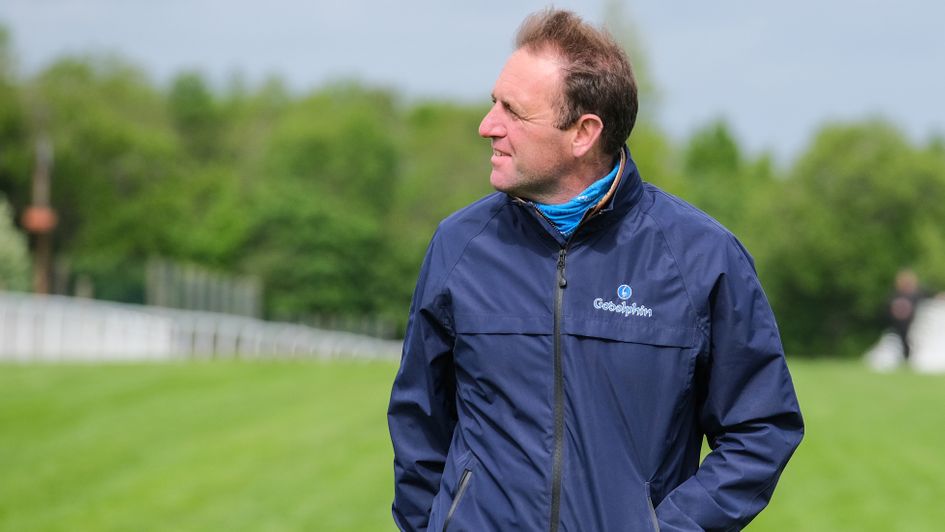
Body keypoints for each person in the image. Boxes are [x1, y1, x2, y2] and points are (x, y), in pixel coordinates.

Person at [388, 9, 804, 531]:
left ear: (583, 132)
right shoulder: (458, 245)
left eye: (513, 111)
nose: (487, 125)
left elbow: (761, 428)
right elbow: (418, 425)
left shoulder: (703, 258)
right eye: (493, 102)